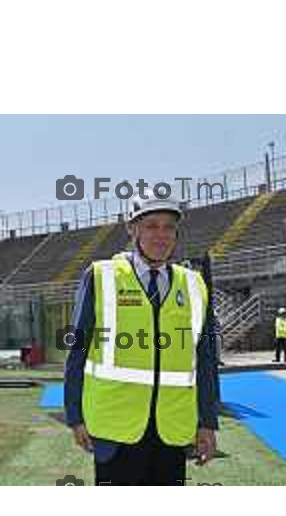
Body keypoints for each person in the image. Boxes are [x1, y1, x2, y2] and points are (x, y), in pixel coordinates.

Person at [64, 191, 220, 486]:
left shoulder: (194, 284)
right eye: (151, 226)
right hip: (114, 428)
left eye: (169, 227)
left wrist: (208, 422)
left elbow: (206, 358)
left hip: (172, 429)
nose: (162, 235)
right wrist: (75, 415)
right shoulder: (101, 276)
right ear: (132, 229)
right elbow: (77, 351)